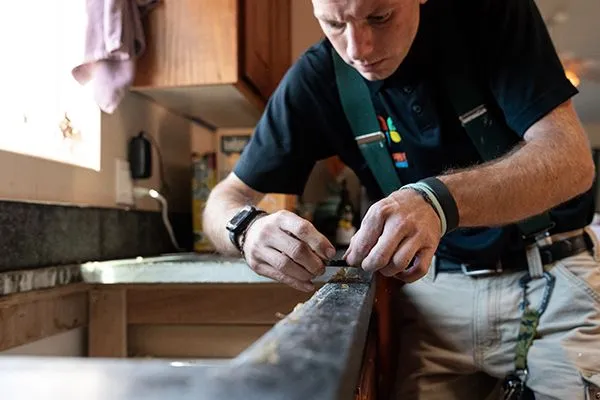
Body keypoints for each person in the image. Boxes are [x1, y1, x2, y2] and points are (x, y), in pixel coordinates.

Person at [203, 0, 600, 398]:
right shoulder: (317, 77)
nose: (359, 49)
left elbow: (571, 161)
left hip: (551, 280)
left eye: (380, 17)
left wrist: (436, 201)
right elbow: (224, 199)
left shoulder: (491, 15)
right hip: (434, 300)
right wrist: (246, 229)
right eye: (334, 23)